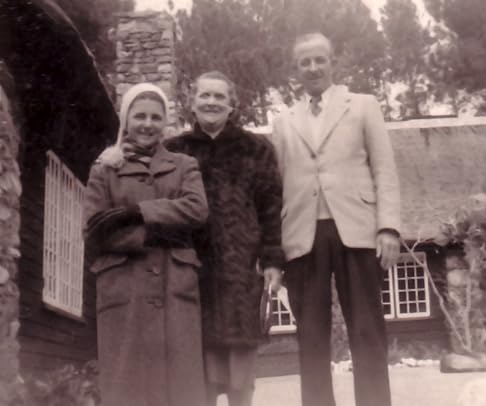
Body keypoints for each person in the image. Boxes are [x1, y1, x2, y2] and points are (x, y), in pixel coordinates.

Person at [271, 32, 401, 406]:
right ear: (295, 69)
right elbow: (276, 187)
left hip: (357, 230)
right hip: (302, 234)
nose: (313, 68)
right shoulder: (283, 121)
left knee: (367, 330)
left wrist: (388, 226)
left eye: (320, 59)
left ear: (332, 62)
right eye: (305, 62)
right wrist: (274, 251)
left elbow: (384, 169)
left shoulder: (363, 105)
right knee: (310, 335)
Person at [84, 83, 209, 406]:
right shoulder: (104, 169)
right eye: (140, 116)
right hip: (124, 287)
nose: (147, 124)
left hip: (175, 284)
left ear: (165, 122)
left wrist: (137, 212)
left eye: (156, 117)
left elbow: (197, 209)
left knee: (180, 387)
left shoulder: (184, 165)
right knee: (127, 386)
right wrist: (159, 233)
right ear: (126, 120)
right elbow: (95, 230)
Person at [164, 70, 284, 406]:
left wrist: (272, 261)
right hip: (190, 271)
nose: (212, 102)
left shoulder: (256, 149)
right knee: (196, 371)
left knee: (239, 374)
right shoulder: (174, 150)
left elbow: (271, 208)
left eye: (220, 96)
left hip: (241, 272)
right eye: (205, 95)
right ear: (192, 103)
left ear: (233, 105)